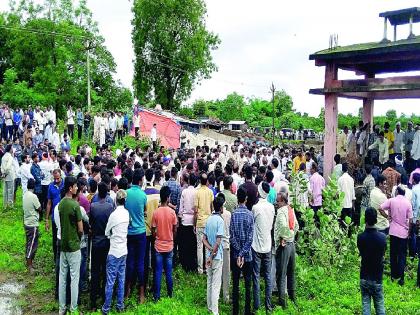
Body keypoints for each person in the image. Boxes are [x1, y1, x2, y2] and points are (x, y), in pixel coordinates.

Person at [102, 189, 130, 315]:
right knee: (121, 279)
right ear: (125, 201)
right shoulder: (127, 214)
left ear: (115, 200)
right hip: (124, 250)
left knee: (110, 281)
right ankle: (120, 305)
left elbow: (107, 232)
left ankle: (106, 308)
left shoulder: (113, 215)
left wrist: (111, 235)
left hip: (113, 251)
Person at [58, 176, 83, 315]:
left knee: (63, 278)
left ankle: (62, 308)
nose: (77, 188)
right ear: (70, 188)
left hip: (63, 245)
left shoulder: (61, 204)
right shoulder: (75, 205)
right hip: (74, 246)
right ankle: (73, 309)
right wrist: (78, 238)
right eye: (75, 186)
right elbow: (80, 229)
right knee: (74, 278)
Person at [379, 186, 413, 285]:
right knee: (402, 255)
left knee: (393, 254)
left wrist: (388, 217)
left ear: (397, 192)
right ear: (404, 193)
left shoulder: (391, 200)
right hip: (403, 233)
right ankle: (401, 278)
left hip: (393, 231)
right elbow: (410, 220)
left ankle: (393, 276)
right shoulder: (408, 203)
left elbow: (380, 208)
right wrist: (409, 232)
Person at [357, 207, 386, 315]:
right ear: (376, 219)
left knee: (366, 305)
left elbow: (361, 252)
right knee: (380, 305)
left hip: (364, 276)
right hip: (377, 277)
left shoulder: (360, 237)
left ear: (365, 220)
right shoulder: (382, 238)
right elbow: (382, 254)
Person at [230, 187, 254, 315]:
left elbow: (232, 236)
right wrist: (243, 254)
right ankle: (247, 311)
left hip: (235, 255)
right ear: (245, 199)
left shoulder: (233, 215)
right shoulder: (250, 215)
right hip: (247, 256)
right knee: (248, 284)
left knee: (235, 284)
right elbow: (250, 238)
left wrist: (238, 254)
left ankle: (235, 311)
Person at [89, 182, 114, 310]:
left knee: (95, 272)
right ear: (107, 192)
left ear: (98, 192)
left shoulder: (93, 206)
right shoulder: (110, 207)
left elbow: (90, 225)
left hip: (96, 242)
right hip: (106, 242)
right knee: (105, 270)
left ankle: (93, 301)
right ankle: (104, 298)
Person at [125, 168, 148, 303]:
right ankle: (141, 293)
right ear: (140, 181)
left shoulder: (126, 193)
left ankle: (127, 290)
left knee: (130, 262)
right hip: (140, 232)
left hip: (128, 232)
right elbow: (144, 211)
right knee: (140, 262)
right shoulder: (143, 195)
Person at [151, 186, 178, 301]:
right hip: (169, 245)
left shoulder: (156, 212)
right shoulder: (172, 213)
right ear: (167, 198)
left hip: (158, 246)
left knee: (157, 272)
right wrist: (172, 238)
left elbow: (153, 230)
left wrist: (156, 237)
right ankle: (170, 295)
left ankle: (156, 297)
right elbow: (175, 229)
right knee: (168, 272)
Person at [252, 182, 275, 313]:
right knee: (267, 276)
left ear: (259, 192)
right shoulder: (271, 207)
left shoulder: (255, 208)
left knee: (256, 276)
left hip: (256, 246)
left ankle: (256, 306)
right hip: (267, 245)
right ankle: (268, 306)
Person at [274, 191, 299, 309]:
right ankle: (293, 299)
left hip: (283, 246)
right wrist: (291, 235)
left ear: (283, 201)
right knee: (291, 273)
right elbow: (297, 226)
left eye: (277, 201)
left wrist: (283, 237)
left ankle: (282, 302)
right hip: (292, 244)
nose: (276, 203)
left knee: (281, 274)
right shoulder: (291, 209)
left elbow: (283, 226)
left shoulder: (280, 212)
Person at [203, 195, 225, 315]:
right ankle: (215, 312)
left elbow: (204, 239)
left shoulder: (209, 219)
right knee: (216, 285)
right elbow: (218, 241)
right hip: (216, 257)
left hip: (208, 256)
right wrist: (212, 254)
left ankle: (210, 307)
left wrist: (209, 250)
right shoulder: (220, 221)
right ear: (221, 208)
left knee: (209, 282)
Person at [194, 173, 214, 274]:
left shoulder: (197, 192)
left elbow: (196, 211)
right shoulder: (210, 192)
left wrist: (194, 224)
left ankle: (200, 269)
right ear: (206, 181)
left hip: (200, 222)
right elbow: (212, 207)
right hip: (209, 222)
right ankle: (207, 267)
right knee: (207, 246)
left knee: (199, 246)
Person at [178, 174, 198, 272]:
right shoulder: (196, 192)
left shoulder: (185, 192)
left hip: (185, 220)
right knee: (193, 245)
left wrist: (180, 217)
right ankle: (192, 264)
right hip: (194, 220)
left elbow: (181, 208)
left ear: (189, 181)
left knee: (185, 244)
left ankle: (185, 264)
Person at [23, 178, 41, 273]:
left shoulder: (25, 195)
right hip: (32, 223)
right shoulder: (33, 196)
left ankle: (28, 262)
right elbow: (39, 208)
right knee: (32, 245)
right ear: (34, 186)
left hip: (26, 222)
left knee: (29, 243)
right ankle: (30, 266)